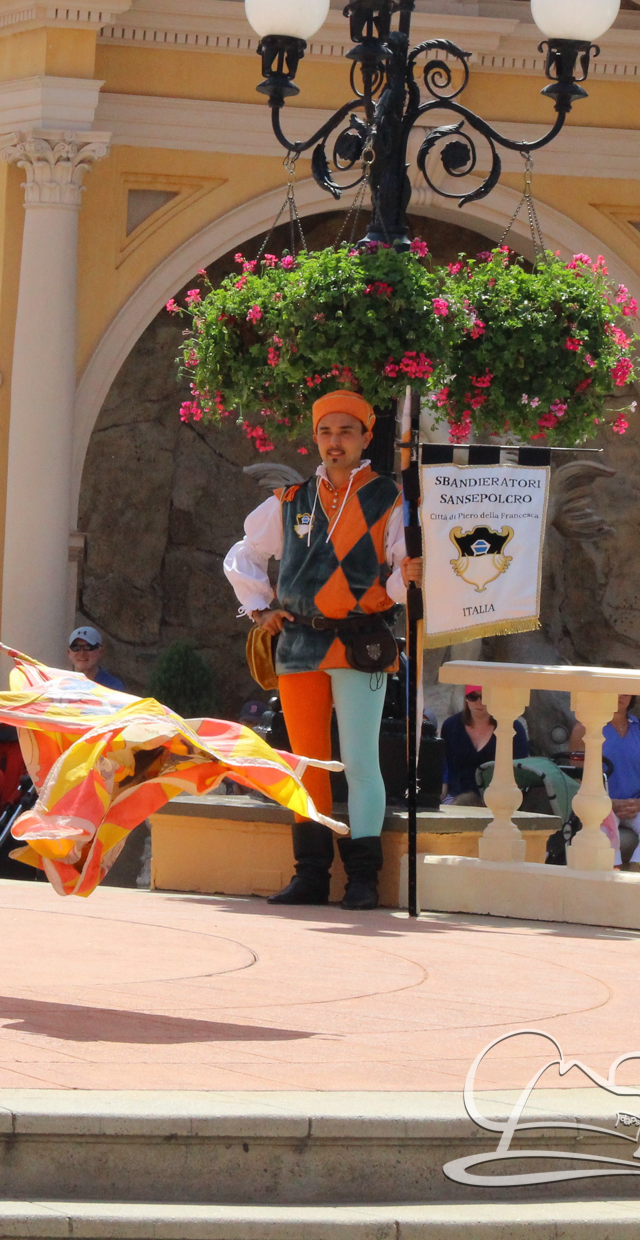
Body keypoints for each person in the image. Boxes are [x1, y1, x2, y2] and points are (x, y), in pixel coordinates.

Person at [223, 390, 421, 911]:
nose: (335, 442)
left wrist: (407, 578)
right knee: (305, 761)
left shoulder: (389, 498)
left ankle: (363, 879)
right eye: (326, 433)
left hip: (360, 642)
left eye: (346, 432)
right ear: (315, 438)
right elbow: (245, 553)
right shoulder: (290, 499)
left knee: (359, 761)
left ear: (365, 437)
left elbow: (401, 572)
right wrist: (259, 608)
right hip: (299, 643)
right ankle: (310, 874)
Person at [596, 694, 640, 868]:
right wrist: (608, 803)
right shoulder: (587, 728)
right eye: (615, 690)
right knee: (603, 832)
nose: (620, 695)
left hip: (638, 803)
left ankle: (636, 879)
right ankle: (613, 878)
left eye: (626, 691)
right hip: (601, 804)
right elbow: (577, 778)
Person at [438, 684, 531, 804]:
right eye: (472, 697)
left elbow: (520, 771)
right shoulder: (451, 726)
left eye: (485, 697)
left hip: (498, 800)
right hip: (455, 798)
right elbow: (444, 767)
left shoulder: (513, 729)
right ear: (466, 698)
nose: (479, 702)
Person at [66, 626, 126, 690]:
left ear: (100, 652)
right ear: (69, 652)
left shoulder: (113, 687)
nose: (82, 653)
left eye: (88, 647)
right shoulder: (61, 683)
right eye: (75, 647)